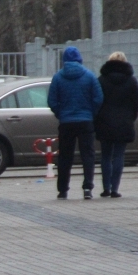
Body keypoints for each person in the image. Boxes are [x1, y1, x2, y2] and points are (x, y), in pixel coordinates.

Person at [47, 46, 103, 199]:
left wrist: (60, 113)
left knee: (65, 156)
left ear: (64, 60)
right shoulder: (89, 76)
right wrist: (90, 113)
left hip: (66, 122)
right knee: (88, 155)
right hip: (86, 121)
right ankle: (87, 188)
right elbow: (98, 98)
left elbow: (52, 100)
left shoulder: (58, 77)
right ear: (79, 59)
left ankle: (63, 190)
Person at [94, 51, 138, 198]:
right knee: (119, 155)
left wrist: (98, 118)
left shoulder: (101, 80)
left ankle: (106, 188)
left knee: (105, 156)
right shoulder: (131, 81)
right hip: (124, 122)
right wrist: (130, 118)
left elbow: (96, 101)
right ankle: (115, 188)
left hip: (104, 122)